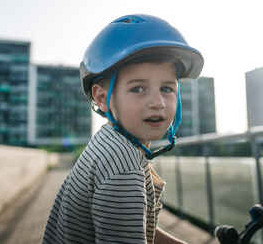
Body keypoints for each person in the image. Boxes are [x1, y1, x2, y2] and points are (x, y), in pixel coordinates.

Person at [42, 14, 204, 244]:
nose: (157, 102)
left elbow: (132, 228)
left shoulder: (110, 141)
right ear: (102, 98)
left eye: (167, 88)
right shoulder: (123, 168)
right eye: (138, 89)